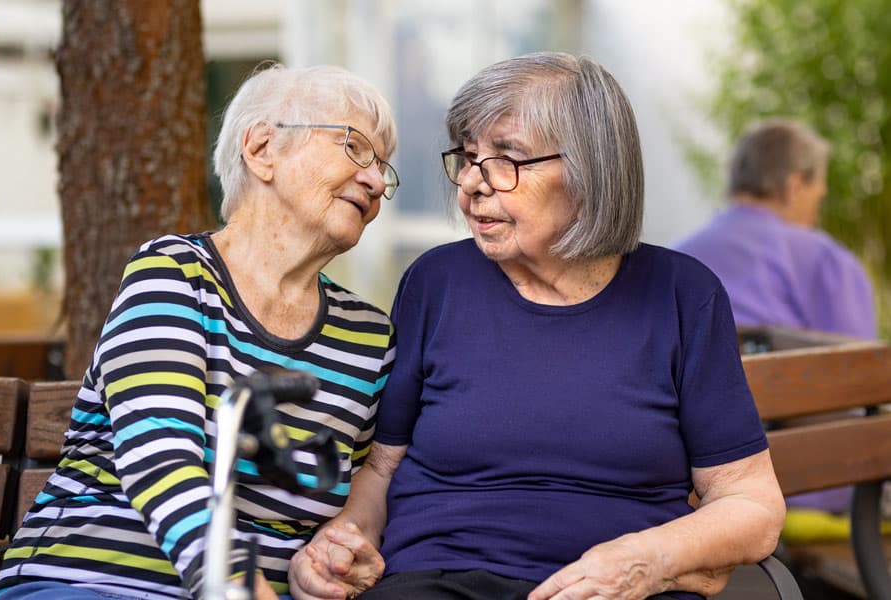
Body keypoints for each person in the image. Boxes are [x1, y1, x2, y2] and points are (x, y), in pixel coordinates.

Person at [288, 51, 785, 600]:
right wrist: (344, 539)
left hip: (617, 588)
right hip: (440, 580)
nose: (472, 185)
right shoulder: (437, 283)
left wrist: (649, 560)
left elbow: (751, 505)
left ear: (592, 170)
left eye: (507, 159)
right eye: (469, 156)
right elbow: (381, 471)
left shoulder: (682, 296)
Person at [0, 63, 399, 600]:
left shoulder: (369, 337)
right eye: (354, 148)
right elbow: (161, 459)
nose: (374, 180)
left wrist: (332, 557)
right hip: (92, 583)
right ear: (262, 150)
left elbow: (352, 503)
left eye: (383, 167)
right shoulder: (174, 276)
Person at [674, 119, 877, 520]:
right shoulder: (823, 258)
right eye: (818, 194)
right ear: (795, 184)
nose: (817, 208)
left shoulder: (678, 259)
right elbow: (862, 384)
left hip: (693, 490)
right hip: (813, 486)